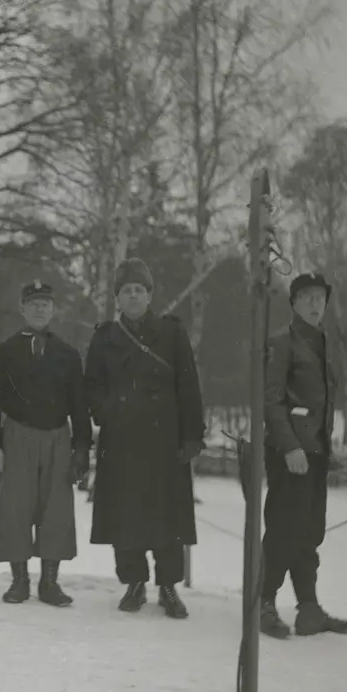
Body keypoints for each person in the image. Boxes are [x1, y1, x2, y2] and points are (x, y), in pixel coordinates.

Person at [83, 258, 204, 619]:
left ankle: (168, 586)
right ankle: (134, 582)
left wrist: (192, 436)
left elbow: (188, 384)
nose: (133, 296)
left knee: (168, 516)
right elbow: (92, 386)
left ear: (149, 296)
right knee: (125, 515)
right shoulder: (105, 337)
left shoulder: (171, 332)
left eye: (139, 290)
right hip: (121, 441)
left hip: (164, 441)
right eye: (126, 291)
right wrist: (107, 412)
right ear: (117, 298)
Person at [0, 281, 91, 607]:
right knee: (15, 508)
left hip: (58, 438)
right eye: (34, 303)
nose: (40, 308)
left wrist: (81, 447)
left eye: (45, 303)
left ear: (53, 309)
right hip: (18, 436)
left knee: (55, 510)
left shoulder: (68, 355)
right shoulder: (4, 353)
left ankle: (49, 582)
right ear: (22, 308)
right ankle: (19, 581)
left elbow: (79, 405)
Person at [260, 272, 347, 638]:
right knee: (284, 528)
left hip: (315, 452)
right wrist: (290, 446)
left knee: (310, 530)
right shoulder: (282, 342)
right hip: (290, 453)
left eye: (320, 298)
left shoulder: (325, 343)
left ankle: (308, 609)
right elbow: (271, 401)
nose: (316, 304)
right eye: (307, 297)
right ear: (294, 303)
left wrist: (323, 446)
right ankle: (263, 604)